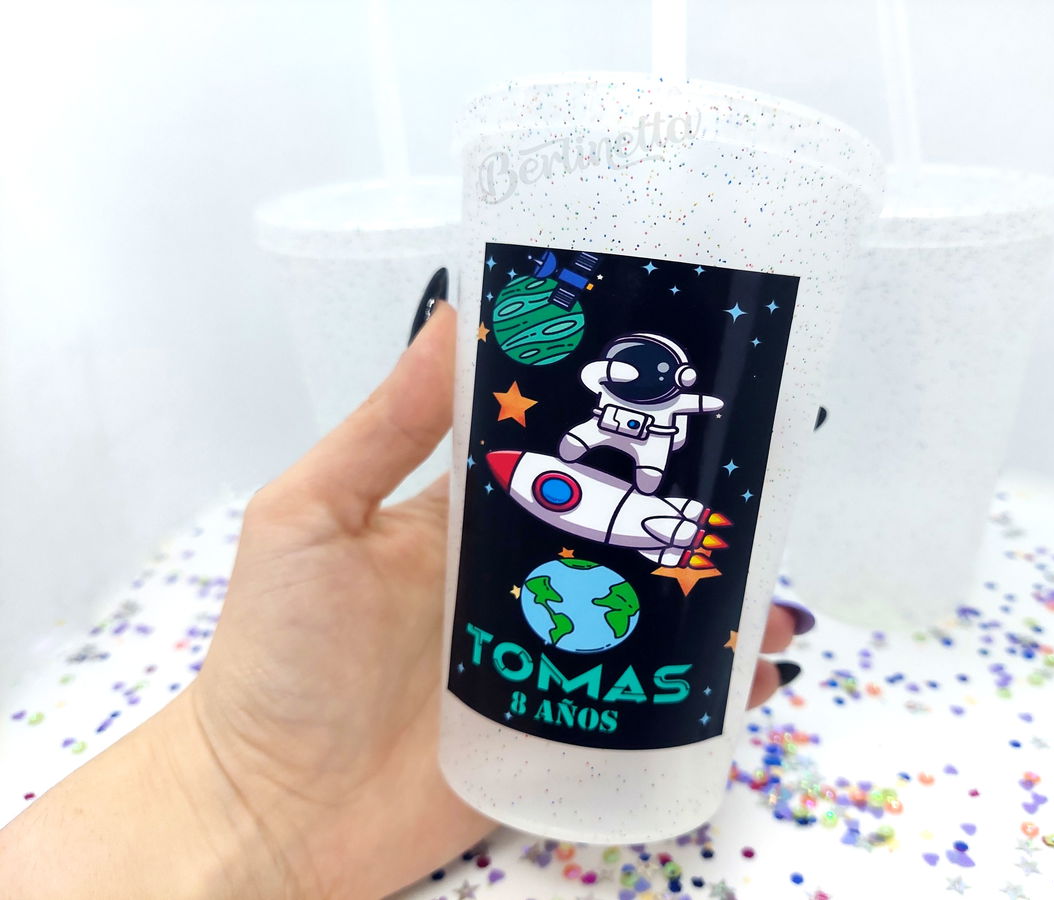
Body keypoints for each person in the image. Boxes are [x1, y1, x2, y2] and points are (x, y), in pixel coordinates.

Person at [0, 298, 812, 899]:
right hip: (488, 675)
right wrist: (248, 784)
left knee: (678, 534)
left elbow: (698, 402)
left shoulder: (669, 405)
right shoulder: (603, 391)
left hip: (647, 492)